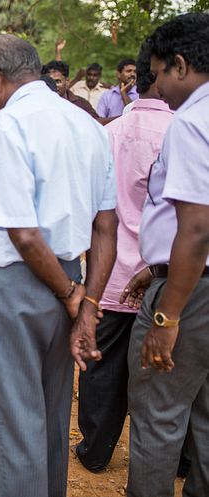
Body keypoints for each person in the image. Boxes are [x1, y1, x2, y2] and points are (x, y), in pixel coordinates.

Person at [0, 34, 116, 497]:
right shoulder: (88, 124)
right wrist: (85, 301)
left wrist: (74, 297)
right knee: (52, 413)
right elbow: (106, 228)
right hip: (69, 278)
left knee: (13, 422)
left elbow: (25, 234)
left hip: (20, 285)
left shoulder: (8, 126)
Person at [73, 44, 174, 474]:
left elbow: (90, 207)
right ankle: (180, 462)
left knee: (101, 368)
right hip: (167, 276)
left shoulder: (109, 131)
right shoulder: (183, 131)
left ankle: (95, 451)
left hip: (109, 274)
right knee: (167, 372)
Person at [122, 13, 209, 497]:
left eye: (155, 74)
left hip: (191, 294)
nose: (152, 87)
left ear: (179, 65)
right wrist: (154, 270)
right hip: (190, 280)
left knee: (158, 416)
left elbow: (197, 229)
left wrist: (166, 315)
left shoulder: (193, 122)